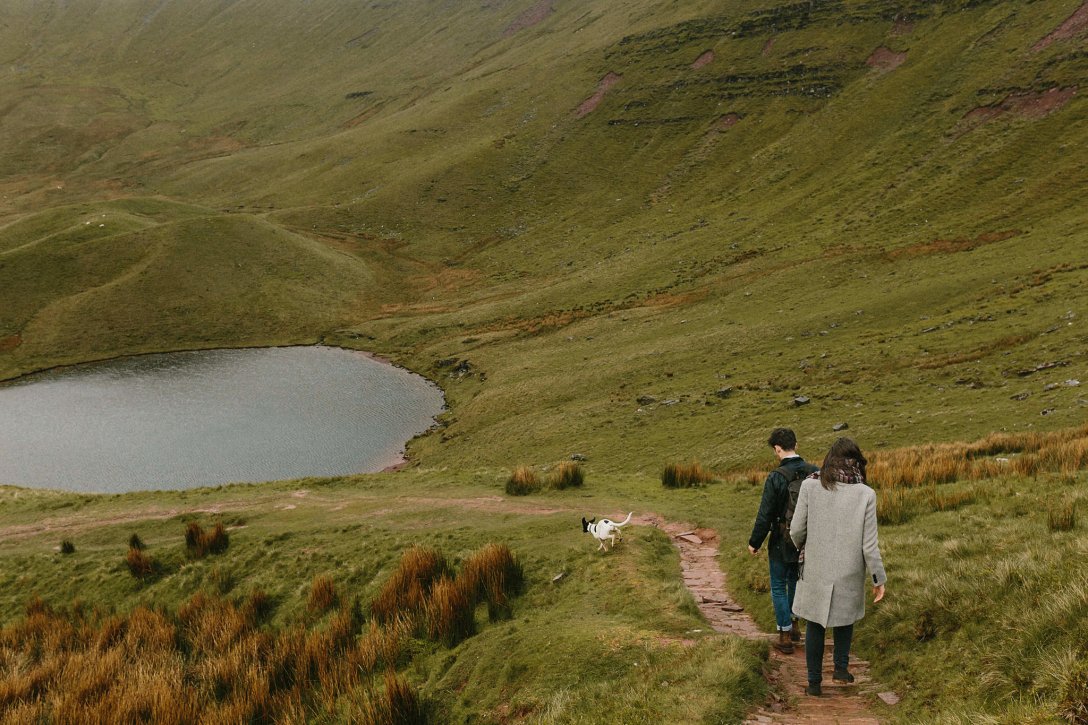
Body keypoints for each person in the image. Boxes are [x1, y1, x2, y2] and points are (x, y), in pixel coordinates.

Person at [789, 437, 887, 696]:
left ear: (830, 458)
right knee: (845, 617)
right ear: (857, 461)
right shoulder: (866, 493)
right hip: (849, 568)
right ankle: (841, 669)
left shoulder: (811, 485)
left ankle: (813, 684)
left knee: (814, 623)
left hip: (815, 566)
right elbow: (869, 545)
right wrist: (878, 578)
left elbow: (796, 529)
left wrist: (805, 548)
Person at [747, 428, 819, 654]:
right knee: (796, 581)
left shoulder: (776, 477)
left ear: (777, 448)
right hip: (808, 539)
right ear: (796, 444)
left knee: (778, 585)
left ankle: (785, 634)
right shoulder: (815, 472)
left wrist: (755, 542)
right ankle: (796, 625)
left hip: (781, 539)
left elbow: (765, 514)